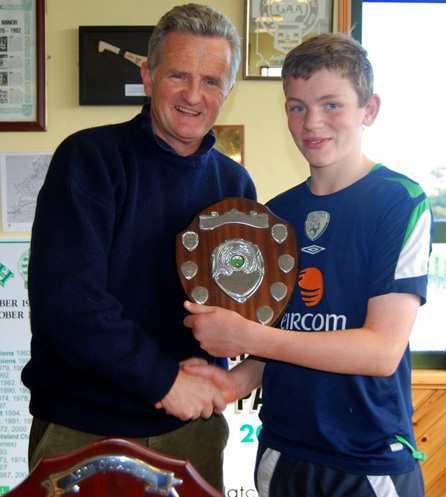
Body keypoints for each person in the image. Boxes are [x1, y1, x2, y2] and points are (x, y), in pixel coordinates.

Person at [183, 33, 433, 497]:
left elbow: (381, 352)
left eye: (332, 105)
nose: (313, 122)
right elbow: (283, 332)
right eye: (297, 107)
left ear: (369, 109)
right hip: (282, 452)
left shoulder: (399, 202)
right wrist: (235, 380)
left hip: (366, 460)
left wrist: (249, 337)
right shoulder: (276, 215)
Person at [21, 3, 256, 491]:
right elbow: (68, 306)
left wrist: (241, 371)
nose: (194, 95)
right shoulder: (89, 159)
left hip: (194, 430)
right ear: (148, 77)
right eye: (179, 75)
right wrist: (165, 382)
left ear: (227, 92)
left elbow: (245, 309)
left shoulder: (235, 185)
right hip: (83, 427)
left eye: (212, 81)